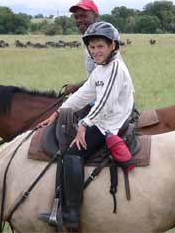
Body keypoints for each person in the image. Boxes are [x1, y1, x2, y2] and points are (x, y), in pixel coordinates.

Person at [38, 21, 135, 229]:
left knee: (73, 152)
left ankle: (70, 213)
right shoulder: (100, 69)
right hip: (103, 117)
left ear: (113, 46)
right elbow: (83, 95)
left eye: (100, 46)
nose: (96, 51)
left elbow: (105, 103)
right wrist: (59, 112)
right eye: (92, 47)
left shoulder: (115, 68)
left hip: (111, 120)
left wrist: (84, 124)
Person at [65, 0, 128, 93]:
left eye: (83, 16)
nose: (79, 20)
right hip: (99, 90)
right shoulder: (89, 39)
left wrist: (76, 87)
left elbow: (103, 76)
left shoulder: (106, 35)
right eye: (76, 17)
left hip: (111, 93)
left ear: (96, 17)